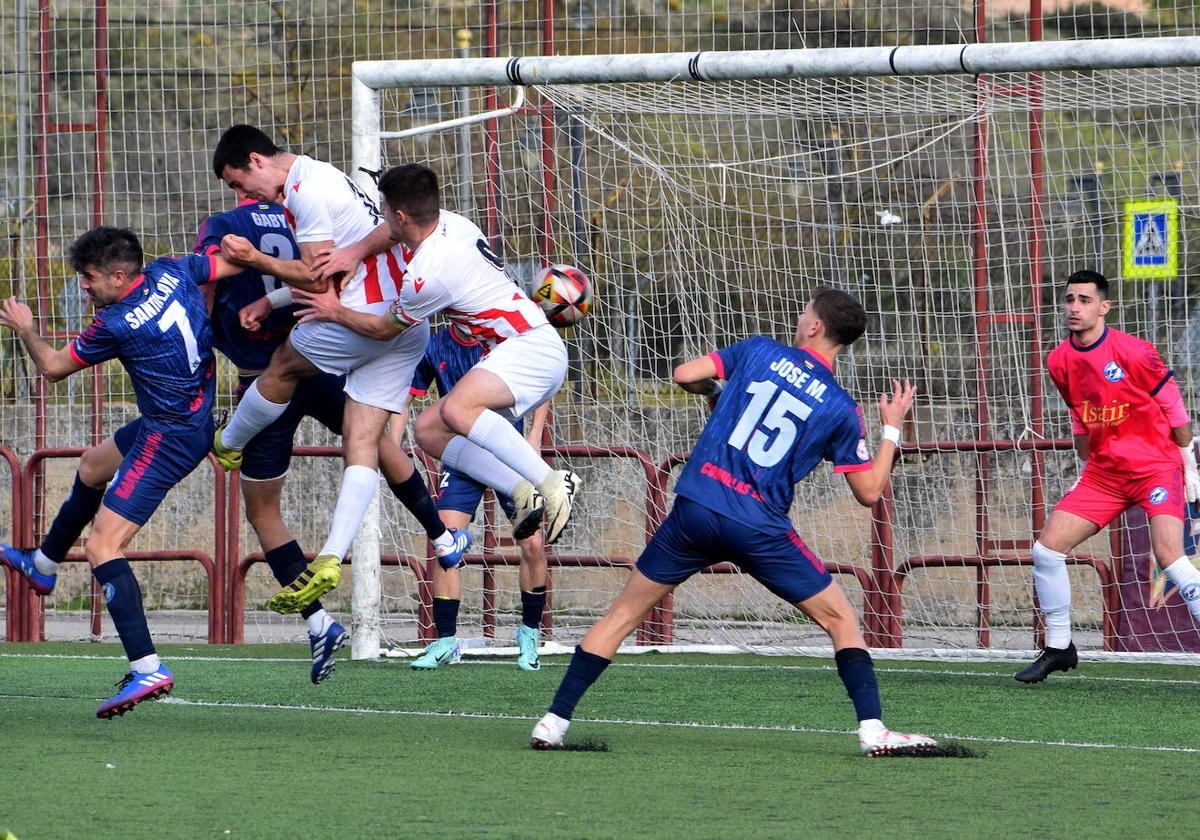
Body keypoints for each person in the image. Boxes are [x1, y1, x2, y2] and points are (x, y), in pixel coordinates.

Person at [529, 287, 938, 756]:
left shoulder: (758, 350)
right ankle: (873, 731)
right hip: (759, 527)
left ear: (815, 326)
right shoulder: (840, 408)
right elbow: (869, 493)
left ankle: (553, 722)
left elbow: (684, 374)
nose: (799, 316)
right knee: (841, 617)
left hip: (696, 509)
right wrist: (891, 428)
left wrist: (717, 391)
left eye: (803, 310)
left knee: (623, 615)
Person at [209, 126, 470, 617]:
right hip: (404, 323)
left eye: (238, 183)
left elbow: (315, 276)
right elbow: (358, 248)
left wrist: (253, 259)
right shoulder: (337, 179)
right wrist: (272, 297)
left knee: (282, 363)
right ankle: (351, 552)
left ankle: (227, 443)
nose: (243, 196)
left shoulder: (306, 192)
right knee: (366, 443)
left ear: (255, 160)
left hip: (355, 319)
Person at [0, 227, 241, 717]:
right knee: (92, 466)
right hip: (186, 417)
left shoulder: (117, 322)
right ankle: (43, 566)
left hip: (168, 436)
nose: (83, 288)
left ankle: (147, 666)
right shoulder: (173, 270)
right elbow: (227, 264)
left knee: (102, 546)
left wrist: (24, 326)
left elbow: (51, 367)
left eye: (88, 279)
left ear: (117, 275)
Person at [297, 163, 579, 561]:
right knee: (429, 430)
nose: (380, 217)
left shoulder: (426, 276)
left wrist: (333, 310)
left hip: (530, 349)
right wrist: (355, 251)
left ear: (399, 215)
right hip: (526, 348)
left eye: (383, 209)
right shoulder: (453, 223)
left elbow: (381, 330)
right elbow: (389, 231)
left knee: (457, 408)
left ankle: (550, 481)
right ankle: (520, 489)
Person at [194, 198, 352, 682]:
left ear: (238, 174)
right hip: (319, 361)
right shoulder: (300, 216)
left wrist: (200, 345)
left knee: (263, 511)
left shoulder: (224, 225)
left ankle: (319, 621)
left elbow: (205, 281)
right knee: (374, 446)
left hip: (263, 382)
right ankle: (440, 531)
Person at [1015, 269, 1200, 683]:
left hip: (1155, 468)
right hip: (1104, 476)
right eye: (1069, 300)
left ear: (1104, 307)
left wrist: (1188, 465)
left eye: (1084, 300)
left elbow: (1175, 408)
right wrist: (1086, 469)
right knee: (1047, 551)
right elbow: (1080, 416)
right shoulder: (1059, 359)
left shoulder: (1135, 351)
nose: (1074, 307)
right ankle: (1060, 647)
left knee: (1171, 557)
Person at [398, 326, 551, 672]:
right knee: (446, 545)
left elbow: (542, 387)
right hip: (460, 454)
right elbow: (404, 400)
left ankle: (528, 633)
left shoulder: (503, 340)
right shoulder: (433, 343)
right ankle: (447, 641)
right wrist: (391, 448)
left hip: (507, 454)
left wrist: (534, 437)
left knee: (533, 545)